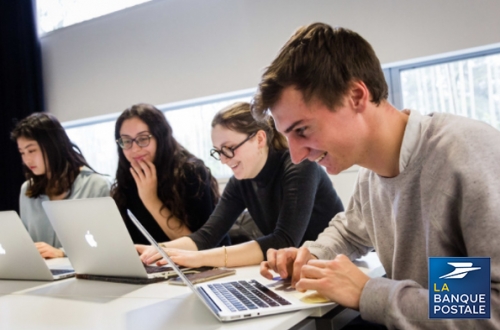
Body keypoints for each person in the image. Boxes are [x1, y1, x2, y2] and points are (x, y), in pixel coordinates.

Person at [252, 23, 500, 329]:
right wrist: (310, 255)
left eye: (301, 130)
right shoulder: (372, 175)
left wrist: (369, 293)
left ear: (356, 95)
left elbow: (492, 304)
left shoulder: (467, 155)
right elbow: (350, 231)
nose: (296, 156)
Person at [139, 102, 344, 268]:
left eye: (229, 148)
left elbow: (283, 240)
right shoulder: (240, 181)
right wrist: (157, 249)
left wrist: (199, 258)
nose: (223, 160)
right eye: (218, 151)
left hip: (335, 265)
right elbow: (207, 235)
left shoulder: (298, 166)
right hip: (296, 270)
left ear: (259, 139)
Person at [111, 103, 221, 245]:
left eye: (143, 139)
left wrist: (150, 200)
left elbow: (201, 246)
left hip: (203, 264)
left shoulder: (191, 172)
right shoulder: (127, 178)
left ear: (160, 137)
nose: (135, 149)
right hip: (153, 265)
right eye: (126, 141)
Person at [11, 113, 111, 258]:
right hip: (43, 276)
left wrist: (62, 252)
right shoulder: (27, 189)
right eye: (22, 152)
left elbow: (107, 243)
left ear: (52, 145)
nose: (27, 159)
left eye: (31, 150)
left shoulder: (96, 185)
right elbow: (27, 242)